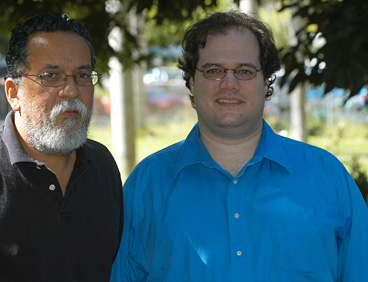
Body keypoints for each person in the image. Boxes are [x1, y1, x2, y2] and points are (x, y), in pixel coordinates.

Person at [110, 10, 368, 282]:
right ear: (191, 82)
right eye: (214, 70)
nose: (229, 83)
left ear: (266, 81)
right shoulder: (146, 185)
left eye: (244, 71)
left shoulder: (328, 178)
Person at [0, 13, 123, 281]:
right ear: (13, 93)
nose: (71, 90)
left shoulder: (102, 165)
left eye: (83, 75)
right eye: (51, 76)